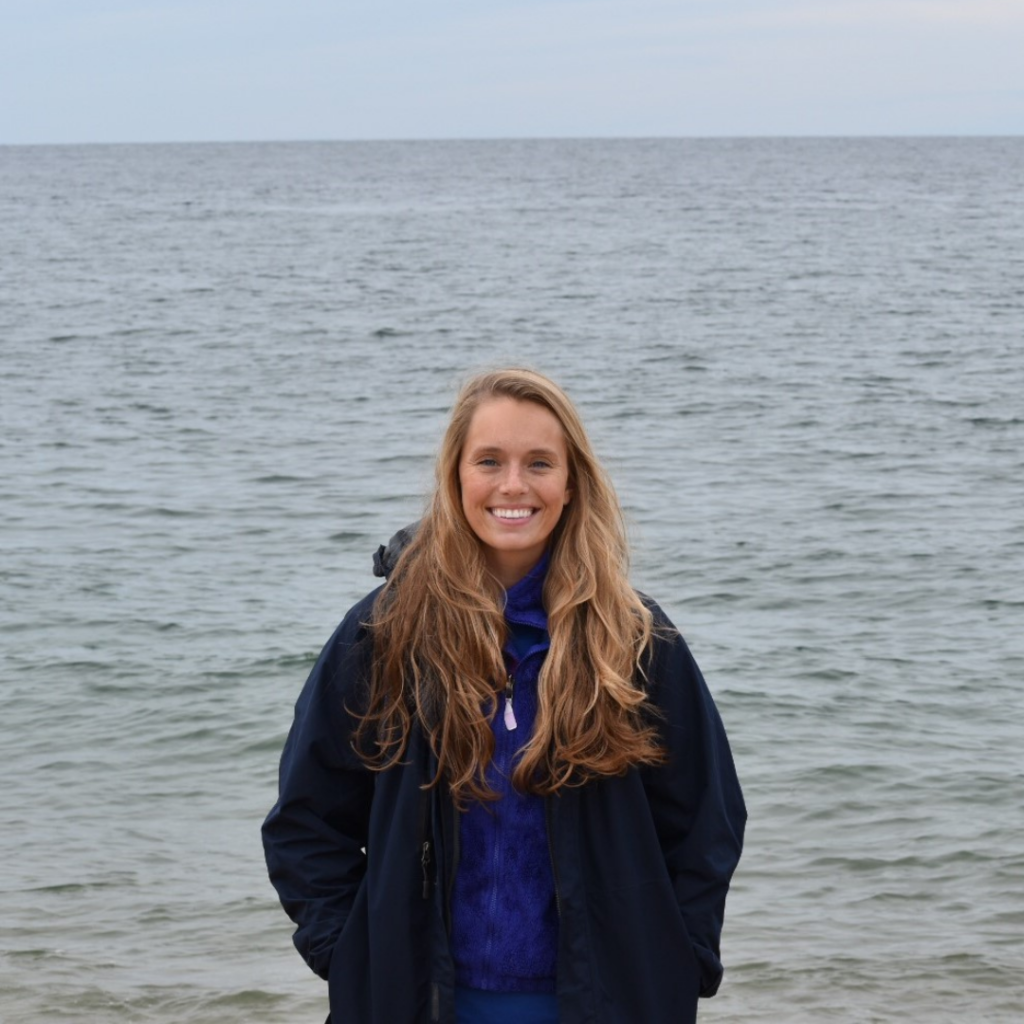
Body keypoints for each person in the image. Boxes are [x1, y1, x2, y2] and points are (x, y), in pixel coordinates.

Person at [262, 368, 746, 1024]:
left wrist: (674, 962)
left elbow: (705, 823)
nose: (513, 485)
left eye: (539, 463)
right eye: (489, 461)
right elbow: (306, 820)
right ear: (455, 476)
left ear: (572, 482)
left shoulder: (635, 639)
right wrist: (355, 957)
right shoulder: (384, 634)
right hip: (420, 1005)